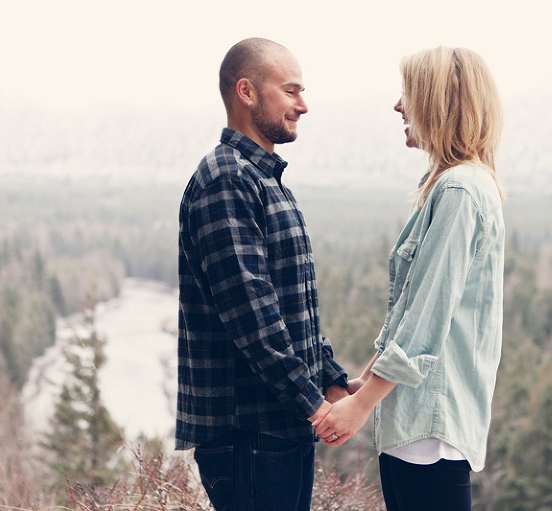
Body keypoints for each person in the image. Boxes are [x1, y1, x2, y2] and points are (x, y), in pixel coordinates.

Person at [313, 46, 505, 511]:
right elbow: (412, 310)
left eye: (409, 93)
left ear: (439, 103)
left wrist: (359, 407)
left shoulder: (459, 191)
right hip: (417, 420)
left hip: (429, 426)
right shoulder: (455, 185)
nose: (398, 105)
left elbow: (423, 323)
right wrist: (363, 384)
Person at [176, 37, 349, 511]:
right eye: (291, 91)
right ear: (247, 92)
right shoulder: (227, 180)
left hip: (278, 426)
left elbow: (291, 306)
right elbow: (253, 318)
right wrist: (314, 405)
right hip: (249, 434)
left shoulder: (263, 178)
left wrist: (330, 378)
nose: (304, 105)